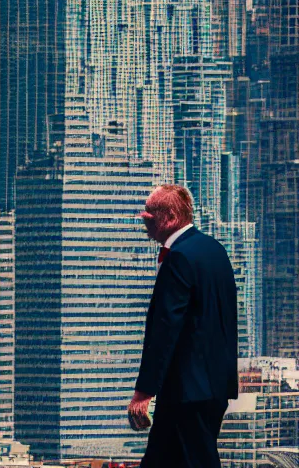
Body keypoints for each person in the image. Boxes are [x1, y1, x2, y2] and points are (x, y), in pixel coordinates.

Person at [128, 184, 238, 468]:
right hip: (213, 385)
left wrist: (144, 390)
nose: (144, 219)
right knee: (160, 460)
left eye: (150, 214)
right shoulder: (214, 250)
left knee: (197, 460)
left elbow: (165, 328)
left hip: (186, 389)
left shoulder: (179, 257)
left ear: (171, 217)